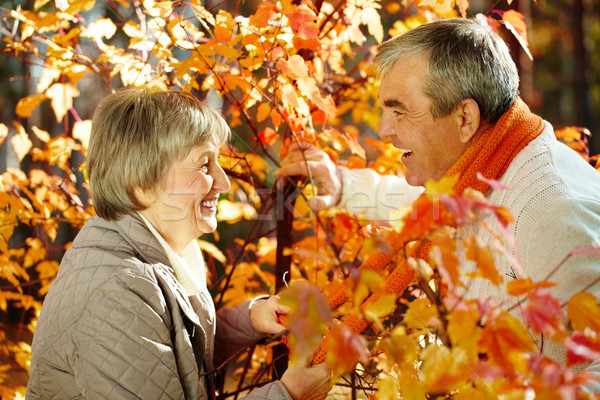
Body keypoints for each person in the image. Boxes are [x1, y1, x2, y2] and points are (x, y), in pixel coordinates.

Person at [275, 17, 600, 387]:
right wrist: (342, 186)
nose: (383, 129)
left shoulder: (551, 211)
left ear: (464, 117)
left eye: (399, 110)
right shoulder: (491, 165)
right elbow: (427, 205)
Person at [27, 88, 332, 400]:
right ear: (141, 183)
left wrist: (252, 319)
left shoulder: (159, 260)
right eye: (203, 164)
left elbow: (171, 358)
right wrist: (289, 395)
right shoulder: (117, 290)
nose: (224, 182)